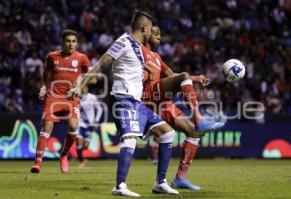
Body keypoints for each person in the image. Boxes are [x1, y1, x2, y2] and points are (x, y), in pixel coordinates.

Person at [69, 11, 180, 197]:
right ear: (144, 28)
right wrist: (80, 85)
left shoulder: (137, 47)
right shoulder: (123, 42)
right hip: (123, 99)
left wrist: (146, 70)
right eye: (150, 28)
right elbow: (101, 64)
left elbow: (132, 64)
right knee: (129, 139)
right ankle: (119, 186)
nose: (151, 32)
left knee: (168, 133)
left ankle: (160, 183)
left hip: (137, 103)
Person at [142, 26, 225, 190]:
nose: (159, 37)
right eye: (155, 34)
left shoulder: (157, 57)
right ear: (145, 34)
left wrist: (195, 78)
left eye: (160, 34)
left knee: (193, 132)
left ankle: (180, 178)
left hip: (163, 103)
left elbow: (174, 76)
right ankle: (199, 118)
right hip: (146, 97)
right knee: (184, 77)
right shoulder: (139, 51)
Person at [30, 29, 91, 174]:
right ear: (62, 42)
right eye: (68, 41)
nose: (71, 44)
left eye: (74, 41)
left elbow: (91, 76)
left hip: (71, 97)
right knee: (47, 127)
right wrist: (44, 87)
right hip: (53, 96)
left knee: (73, 126)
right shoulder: (52, 56)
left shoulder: (82, 58)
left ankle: (64, 155)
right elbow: (45, 73)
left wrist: (79, 86)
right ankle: (37, 163)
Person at [76, 85, 102, 168]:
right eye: (82, 87)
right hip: (80, 124)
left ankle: (80, 155)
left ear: (87, 88)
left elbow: (99, 109)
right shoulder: (77, 97)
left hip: (90, 124)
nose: (83, 88)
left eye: (85, 87)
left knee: (86, 145)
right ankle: (81, 160)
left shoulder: (92, 97)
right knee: (79, 141)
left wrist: (96, 120)